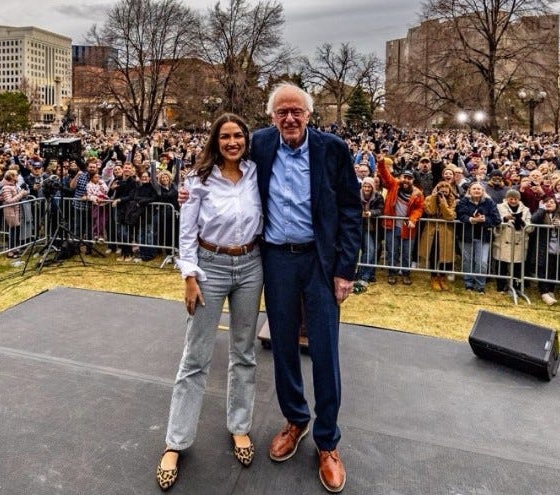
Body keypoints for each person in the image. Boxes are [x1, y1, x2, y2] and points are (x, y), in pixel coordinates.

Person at [250, 83, 360, 492]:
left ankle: (327, 441)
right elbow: (218, 161)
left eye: (297, 111)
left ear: (309, 115)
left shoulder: (332, 149)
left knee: (325, 349)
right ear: (272, 117)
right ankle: (296, 419)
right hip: (277, 258)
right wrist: (191, 190)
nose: (290, 119)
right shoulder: (260, 144)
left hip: (319, 261)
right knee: (281, 343)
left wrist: (344, 269)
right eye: (283, 113)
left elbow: (351, 208)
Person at [157, 114, 264, 491]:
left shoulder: (256, 172)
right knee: (195, 356)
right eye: (225, 136)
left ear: (246, 140)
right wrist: (189, 276)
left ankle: (239, 427)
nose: (232, 142)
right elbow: (186, 233)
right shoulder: (197, 181)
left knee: (244, 352)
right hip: (210, 267)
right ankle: (176, 441)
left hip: (251, 266)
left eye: (238, 136)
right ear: (215, 141)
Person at [377, 161, 424, 285]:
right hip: (391, 225)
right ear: (401, 177)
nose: (406, 180)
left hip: (407, 228)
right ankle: (392, 273)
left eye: (409, 178)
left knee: (407, 252)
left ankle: (406, 274)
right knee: (392, 251)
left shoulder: (418, 193)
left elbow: (419, 209)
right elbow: (384, 174)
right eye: (405, 177)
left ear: (413, 180)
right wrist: (381, 162)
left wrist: (413, 220)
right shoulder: (394, 185)